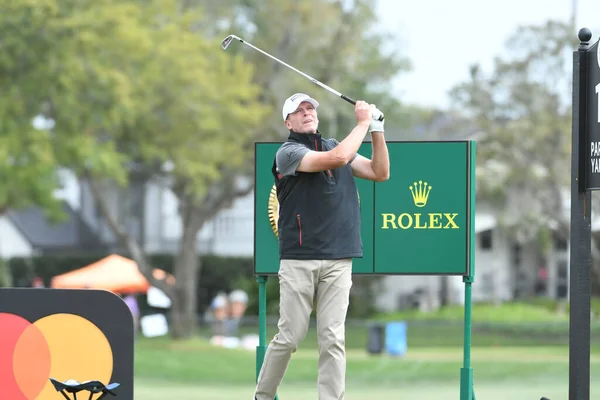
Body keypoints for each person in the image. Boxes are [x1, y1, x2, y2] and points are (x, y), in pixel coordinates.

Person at [253, 93, 390, 400]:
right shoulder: (287, 153)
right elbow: (338, 159)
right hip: (299, 259)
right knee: (289, 337)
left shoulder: (332, 144)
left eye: (310, 108)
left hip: (339, 259)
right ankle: (262, 396)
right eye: (298, 111)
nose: (307, 113)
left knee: (332, 337)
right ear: (288, 122)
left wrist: (377, 130)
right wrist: (364, 122)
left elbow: (380, 172)